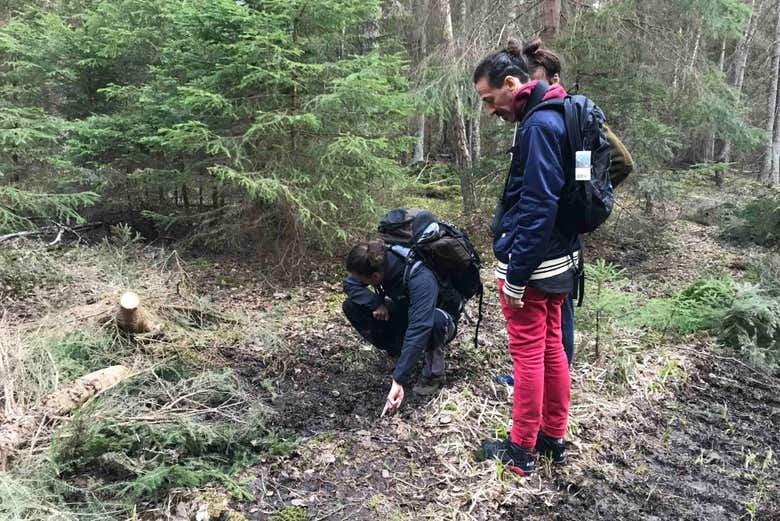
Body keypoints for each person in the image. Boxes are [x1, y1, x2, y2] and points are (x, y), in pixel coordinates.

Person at [473, 39, 579, 476]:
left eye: (489, 98)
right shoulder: (559, 113)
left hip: (533, 267)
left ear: (512, 84)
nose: (489, 109)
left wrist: (516, 276)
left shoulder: (537, 126)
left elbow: (538, 206)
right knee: (552, 348)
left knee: (529, 355)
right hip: (561, 261)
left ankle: (520, 451)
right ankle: (553, 438)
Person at [521, 38, 635, 366]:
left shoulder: (575, 116)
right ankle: (539, 376)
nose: (528, 90)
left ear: (554, 79)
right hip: (545, 226)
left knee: (560, 308)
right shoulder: (535, 118)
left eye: (535, 82)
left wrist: (585, 196)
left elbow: (622, 161)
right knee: (545, 310)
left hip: (562, 227)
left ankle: (560, 376)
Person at [342, 240, 460, 416]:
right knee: (352, 305)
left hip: (440, 317)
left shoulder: (419, 277)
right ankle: (398, 350)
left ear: (375, 276)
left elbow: (420, 326)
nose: (359, 282)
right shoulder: (376, 261)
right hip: (407, 308)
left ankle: (433, 374)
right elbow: (349, 283)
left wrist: (398, 379)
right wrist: (376, 303)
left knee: (433, 322)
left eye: (362, 280)